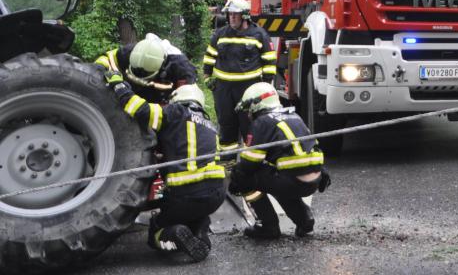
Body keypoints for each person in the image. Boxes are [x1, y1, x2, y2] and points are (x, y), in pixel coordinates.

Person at [106, 76, 225, 262]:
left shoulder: (176, 112)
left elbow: (141, 110)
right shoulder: (211, 125)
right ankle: (200, 235)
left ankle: (172, 235)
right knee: (198, 214)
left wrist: (119, 86)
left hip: (186, 193)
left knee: (156, 230)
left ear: (177, 98)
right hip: (216, 195)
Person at [229, 82, 330, 239]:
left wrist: (234, 179)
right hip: (316, 179)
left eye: (248, 109)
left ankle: (267, 226)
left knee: (243, 178)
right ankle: (305, 220)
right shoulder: (294, 116)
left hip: (293, 181)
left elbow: (249, 164)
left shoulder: (262, 122)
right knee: (279, 181)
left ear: (257, 104)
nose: (248, 114)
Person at [203, 0, 275, 157]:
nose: (232, 17)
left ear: (245, 16)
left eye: (235, 14)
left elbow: (269, 61)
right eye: (230, 14)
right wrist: (207, 77)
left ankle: (251, 161)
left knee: (249, 125)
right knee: (226, 123)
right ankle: (228, 159)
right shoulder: (221, 34)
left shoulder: (259, 35)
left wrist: (266, 85)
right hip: (223, 89)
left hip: (249, 89)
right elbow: (209, 56)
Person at [95, 34, 197, 104]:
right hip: (131, 93)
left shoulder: (182, 69)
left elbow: (185, 103)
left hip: (162, 100)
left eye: (145, 74)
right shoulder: (131, 51)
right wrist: (98, 70)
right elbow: (108, 57)